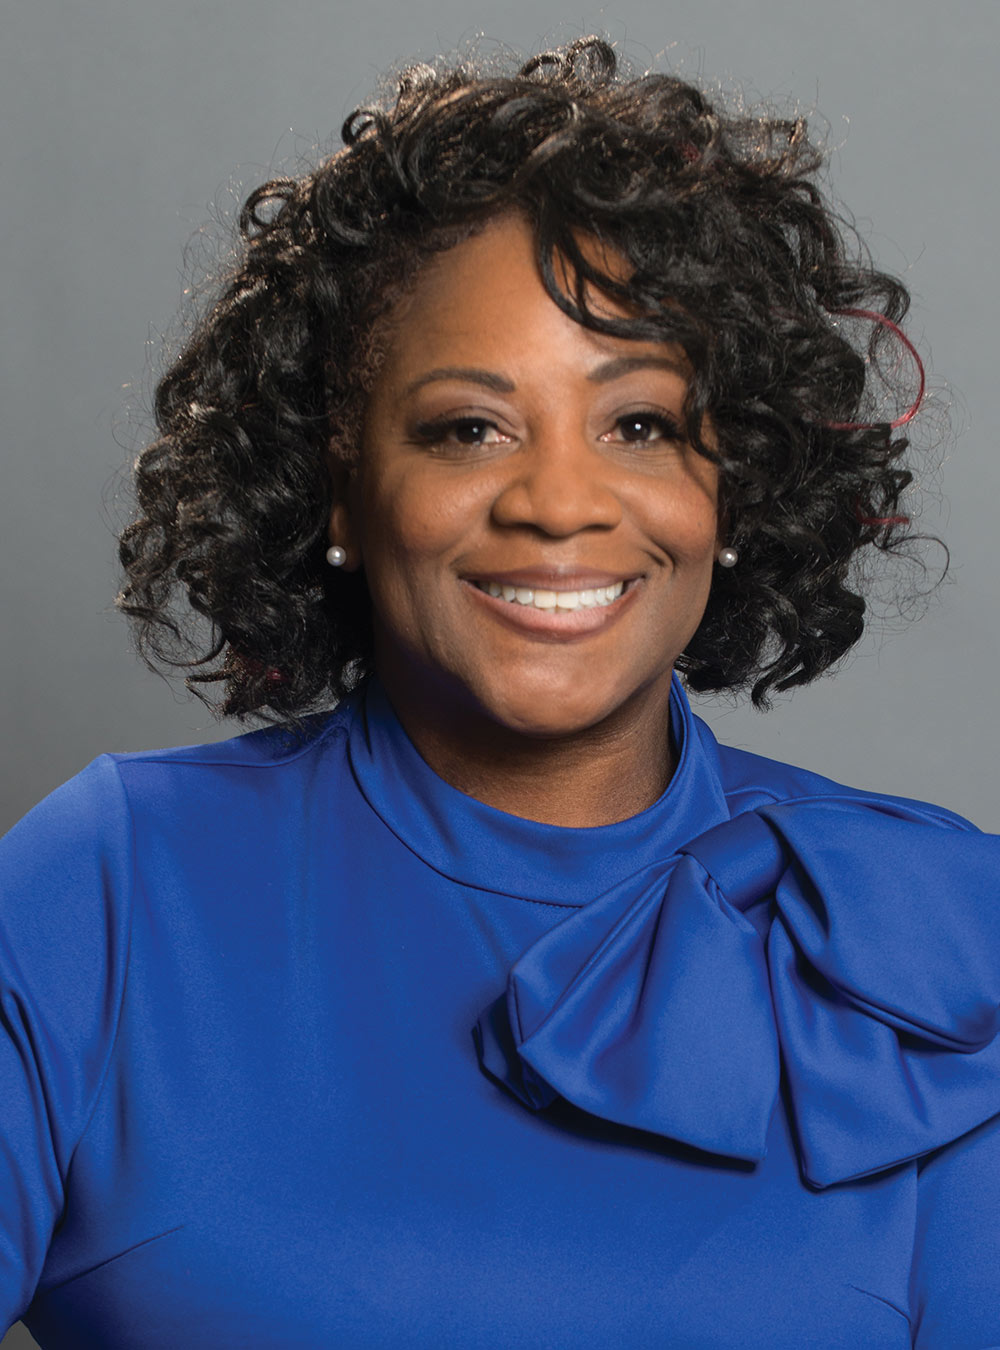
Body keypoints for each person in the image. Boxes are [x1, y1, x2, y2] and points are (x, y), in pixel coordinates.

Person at [2, 35, 998, 1348]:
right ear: (342, 493)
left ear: (732, 490)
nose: (558, 502)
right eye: (469, 427)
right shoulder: (109, 886)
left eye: (639, 423)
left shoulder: (915, 940)